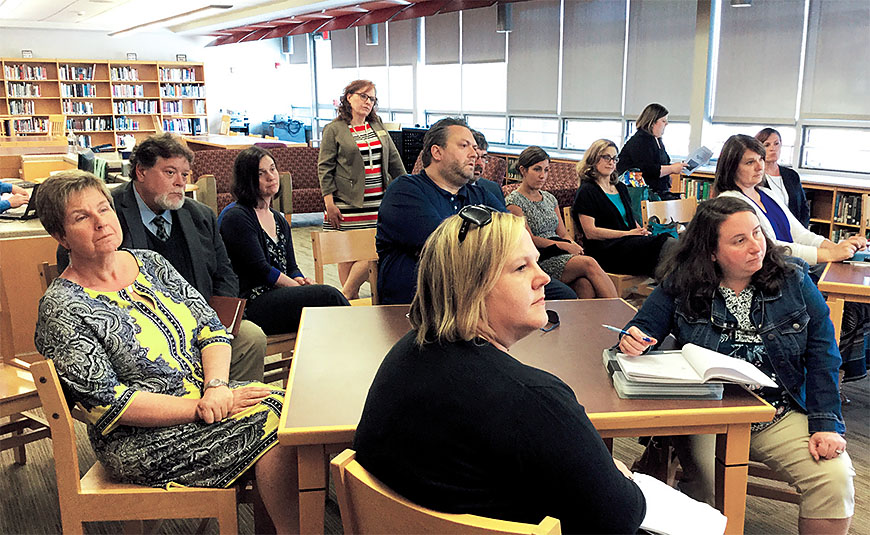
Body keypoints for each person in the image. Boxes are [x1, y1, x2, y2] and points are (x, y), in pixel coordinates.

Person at [355, 209, 646, 533]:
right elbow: (621, 518)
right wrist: (620, 472)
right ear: (471, 286)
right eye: (521, 267)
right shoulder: (534, 400)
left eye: (536, 262)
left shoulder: (404, 355)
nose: (544, 278)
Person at [34, 171, 296, 530]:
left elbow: (210, 327)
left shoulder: (150, 263)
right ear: (59, 236)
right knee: (278, 431)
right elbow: (109, 403)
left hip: (209, 401)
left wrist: (217, 387)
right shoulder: (62, 308)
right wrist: (202, 408)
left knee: (297, 411)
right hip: (141, 441)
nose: (101, 223)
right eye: (82, 217)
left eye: (104, 209)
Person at [618, 196, 854, 535]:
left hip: (775, 411)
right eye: (739, 240)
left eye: (757, 233)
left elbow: (823, 356)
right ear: (711, 252)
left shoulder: (794, 281)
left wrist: (826, 423)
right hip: (709, 414)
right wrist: (633, 338)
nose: (756, 246)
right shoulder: (683, 280)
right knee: (709, 494)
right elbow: (643, 327)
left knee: (834, 478)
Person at [58, 133, 267, 383]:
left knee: (252, 337)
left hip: (199, 318)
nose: (180, 182)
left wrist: (215, 321)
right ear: (141, 172)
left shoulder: (200, 215)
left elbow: (224, 274)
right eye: (170, 173)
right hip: (139, 329)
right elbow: (75, 264)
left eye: (185, 175)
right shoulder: (107, 214)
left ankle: (227, 403)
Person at [376, 117, 577, 305]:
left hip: (480, 285)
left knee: (563, 295)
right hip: (429, 298)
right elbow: (446, 247)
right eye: (464, 146)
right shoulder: (406, 190)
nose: (474, 154)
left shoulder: (479, 194)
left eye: (474, 147)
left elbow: (516, 236)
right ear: (437, 152)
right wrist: (492, 239)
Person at [220, 146, 349, 335]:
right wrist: (297, 287)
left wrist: (300, 279)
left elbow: (291, 266)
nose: (271, 176)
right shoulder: (237, 216)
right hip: (251, 302)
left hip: (278, 296)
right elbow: (262, 271)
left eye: (272, 169)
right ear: (247, 180)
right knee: (327, 296)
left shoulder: (278, 218)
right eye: (261, 173)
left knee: (323, 308)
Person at [713, 135, 865, 265]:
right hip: (775, 269)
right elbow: (772, 247)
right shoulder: (730, 202)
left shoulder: (766, 193)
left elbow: (801, 235)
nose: (760, 167)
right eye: (750, 162)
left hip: (793, 264)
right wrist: (829, 255)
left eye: (761, 159)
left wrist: (838, 248)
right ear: (731, 167)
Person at [317, 79, 406, 300]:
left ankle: (345, 295)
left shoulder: (377, 126)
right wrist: (329, 203)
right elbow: (325, 167)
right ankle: (351, 300)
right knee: (347, 254)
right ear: (349, 97)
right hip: (345, 203)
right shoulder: (334, 129)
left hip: (377, 203)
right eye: (363, 96)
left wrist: (407, 188)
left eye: (372, 99)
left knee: (372, 251)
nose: (368, 102)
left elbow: (394, 161)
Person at [506, 146, 617, 298]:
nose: (542, 176)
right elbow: (529, 239)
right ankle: (620, 312)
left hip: (560, 251)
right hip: (540, 257)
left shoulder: (550, 198)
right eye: (537, 169)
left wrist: (572, 244)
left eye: (546, 170)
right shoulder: (514, 202)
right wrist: (563, 246)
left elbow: (563, 232)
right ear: (523, 170)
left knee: (584, 284)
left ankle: (586, 321)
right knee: (589, 263)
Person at [572, 139, 675, 277]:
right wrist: (627, 234)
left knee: (666, 243)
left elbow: (629, 219)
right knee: (665, 245)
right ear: (593, 158)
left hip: (629, 244)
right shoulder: (587, 190)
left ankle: (673, 286)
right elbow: (590, 232)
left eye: (614, 159)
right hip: (606, 250)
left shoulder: (620, 187)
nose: (611, 162)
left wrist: (640, 230)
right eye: (606, 157)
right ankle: (672, 288)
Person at [616, 103, 687, 200]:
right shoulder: (640, 140)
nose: (666, 124)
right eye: (663, 121)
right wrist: (671, 169)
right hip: (642, 194)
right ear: (652, 122)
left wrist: (672, 169)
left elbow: (662, 164)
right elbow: (648, 170)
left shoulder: (657, 140)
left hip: (656, 191)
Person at [755, 127, 810, 227]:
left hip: (797, 233)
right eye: (767, 145)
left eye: (776, 144)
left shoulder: (791, 175)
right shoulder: (756, 177)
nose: (773, 148)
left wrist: (802, 231)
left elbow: (803, 208)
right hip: (771, 232)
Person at [469, 129, 506, 209]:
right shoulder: (449, 191)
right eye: (475, 156)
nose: (479, 163)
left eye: (483, 157)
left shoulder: (493, 189)